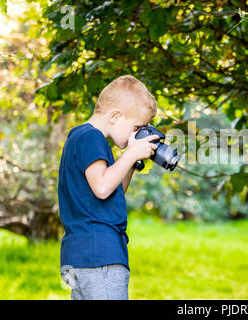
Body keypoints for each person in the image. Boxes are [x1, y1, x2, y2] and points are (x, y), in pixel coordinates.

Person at [58, 75, 160, 300]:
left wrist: (131, 163)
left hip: (80, 256)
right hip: (100, 256)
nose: (137, 133)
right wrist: (131, 153)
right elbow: (103, 187)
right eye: (137, 127)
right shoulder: (91, 138)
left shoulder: (80, 137)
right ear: (115, 116)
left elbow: (113, 191)